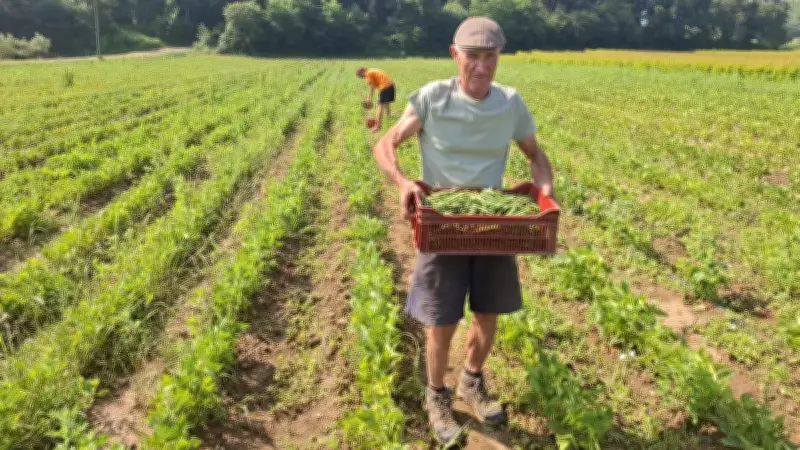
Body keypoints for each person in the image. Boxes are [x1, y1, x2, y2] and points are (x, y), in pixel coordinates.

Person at [372, 17, 555, 444]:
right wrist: (403, 182)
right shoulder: (433, 98)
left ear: (499, 57)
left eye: (490, 56)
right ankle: (436, 394)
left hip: (492, 222)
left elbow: (534, 155)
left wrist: (545, 192)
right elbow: (387, 142)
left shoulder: (510, 103)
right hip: (442, 224)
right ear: (455, 55)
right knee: (441, 320)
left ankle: (471, 381)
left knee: (488, 314)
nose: (482, 66)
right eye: (473, 56)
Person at [356, 67, 396, 132]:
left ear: (362, 72)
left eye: (361, 76)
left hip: (385, 87)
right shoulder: (372, 70)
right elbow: (378, 82)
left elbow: (372, 87)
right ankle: (389, 117)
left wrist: (369, 99)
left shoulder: (368, 73)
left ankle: (377, 126)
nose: (363, 78)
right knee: (386, 102)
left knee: (379, 106)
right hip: (391, 85)